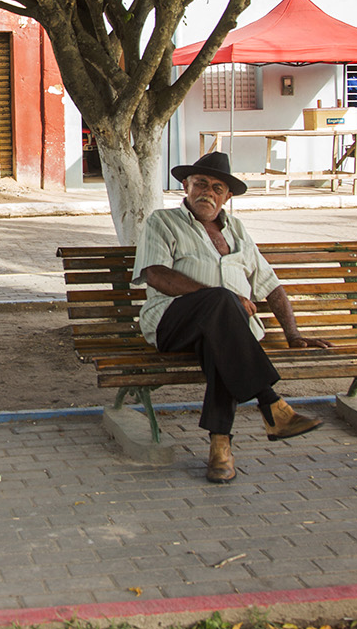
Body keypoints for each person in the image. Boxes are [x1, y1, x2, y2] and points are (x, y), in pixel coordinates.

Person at [132, 151, 330, 483]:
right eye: (200, 183)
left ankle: (220, 449)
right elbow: (154, 274)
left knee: (219, 341)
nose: (207, 192)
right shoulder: (162, 222)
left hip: (225, 334)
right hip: (172, 324)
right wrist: (223, 299)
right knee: (222, 306)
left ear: (228, 196)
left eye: (217, 187)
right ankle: (271, 403)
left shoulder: (237, 231)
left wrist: (294, 335)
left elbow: (272, 286)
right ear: (186, 185)